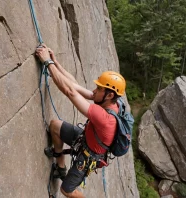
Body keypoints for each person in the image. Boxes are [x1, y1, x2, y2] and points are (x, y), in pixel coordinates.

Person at [35, 44, 126, 198]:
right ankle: (60, 166)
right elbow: (75, 86)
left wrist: (46, 62)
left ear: (109, 95)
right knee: (55, 126)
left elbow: (70, 91)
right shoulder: (112, 102)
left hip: (88, 156)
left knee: (66, 190)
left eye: (99, 88)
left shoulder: (105, 118)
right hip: (85, 139)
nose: (94, 90)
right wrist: (56, 63)